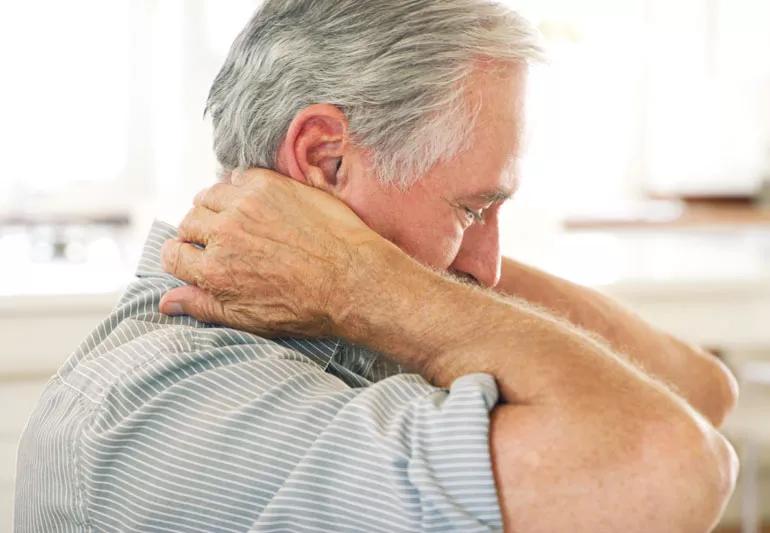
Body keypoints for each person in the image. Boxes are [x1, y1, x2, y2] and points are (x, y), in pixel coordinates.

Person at [16, 1, 738, 531]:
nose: (486, 267)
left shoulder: (352, 323)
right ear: (325, 159)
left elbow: (700, 392)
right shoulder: (171, 403)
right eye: (471, 208)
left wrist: (363, 274)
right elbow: (673, 464)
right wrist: (361, 278)